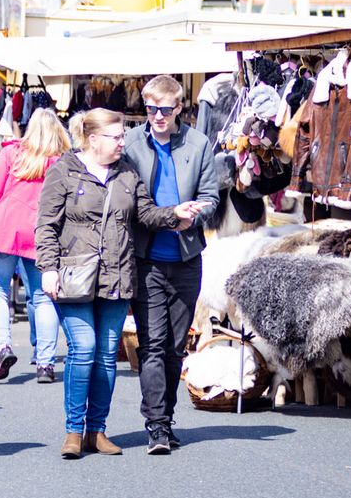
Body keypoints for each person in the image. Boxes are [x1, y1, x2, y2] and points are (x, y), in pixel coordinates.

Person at [36, 109, 198, 461]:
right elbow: (46, 224)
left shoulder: (126, 171)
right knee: (84, 349)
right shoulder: (63, 171)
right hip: (75, 276)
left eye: (123, 137)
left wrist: (175, 215)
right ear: (93, 139)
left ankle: (97, 430)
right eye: (116, 137)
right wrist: (47, 268)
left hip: (116, 275)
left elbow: (145, 212)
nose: (123, 143)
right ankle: (73, 430)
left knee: (107, 355)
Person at [121, 75, 220, 454]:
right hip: (146, 257)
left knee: (176, 345)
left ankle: (166, 416)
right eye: (150, 109)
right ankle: (157, 425)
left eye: (165, 109)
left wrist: (195, 213)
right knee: (153, 342)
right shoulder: (132, 142)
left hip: (185, 256)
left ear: (180, 107)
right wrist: (166, 215)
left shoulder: (198, 143)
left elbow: (211, 195)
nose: (157, 116)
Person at [0, 107, 69, 383]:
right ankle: (45, 364)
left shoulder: (12, 154)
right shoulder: (63, 163)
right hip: (42, 235)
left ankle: (3, 346)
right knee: (42, 296)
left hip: (4, 229)